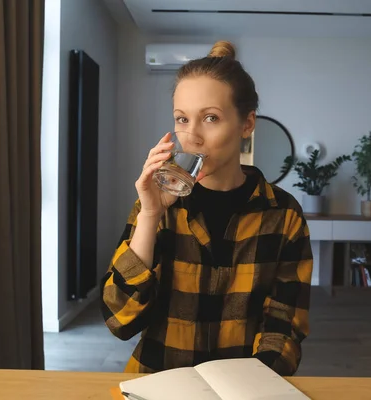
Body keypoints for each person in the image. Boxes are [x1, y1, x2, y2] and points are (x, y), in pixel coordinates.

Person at [100, 40, 313, 376]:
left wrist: (255, 387)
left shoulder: (283, 215)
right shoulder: (156, 205)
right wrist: (150, 215)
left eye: (210, 118)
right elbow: (120, 319)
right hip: (158, 385)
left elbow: (283, 327)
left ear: (247, 124)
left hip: (245, 390)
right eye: (182, 119)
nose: (191, 136)